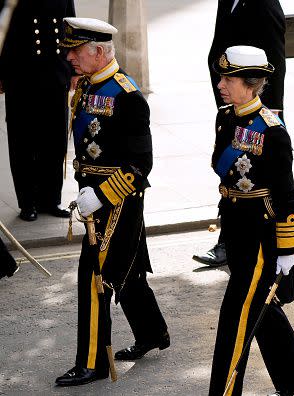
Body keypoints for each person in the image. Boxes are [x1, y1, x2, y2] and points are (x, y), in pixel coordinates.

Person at [54, 18, 169, 386]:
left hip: (117, 200)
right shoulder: (87, 85)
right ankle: (152, 333)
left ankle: (92, 363)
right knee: (129, 269)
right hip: (91, 193)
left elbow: (140, 166)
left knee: (94, 278)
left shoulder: (127, 97)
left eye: (76, 50)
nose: (70, 56)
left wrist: (101, 196)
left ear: (100, 52)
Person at [207, 46, 294, 396]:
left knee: (235, 317)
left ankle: (223, 391)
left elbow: (286, 194)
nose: (221, 84)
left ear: (251, 84)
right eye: (221, 76)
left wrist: (287, 247)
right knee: (259, 309)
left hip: (261, 240)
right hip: (234, 231)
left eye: (229, 78)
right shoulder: (225, 117)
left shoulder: (272, 131)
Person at [195, 0, 287, 267]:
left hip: (256, 114)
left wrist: (271, 114)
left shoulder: (265, 5)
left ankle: (264, 241)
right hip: (233, 104)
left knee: (254, 179)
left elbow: (275, 63)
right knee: (233, 176)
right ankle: (230, 240)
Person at [0, 0, 75, 221]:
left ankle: (51, 199)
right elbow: (4, 30)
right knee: (23, 140)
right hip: (21, 75)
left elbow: (70, 24)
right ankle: (28, 202)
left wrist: (73, 69)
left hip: (55, 72)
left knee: (55, 139)